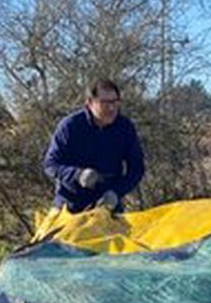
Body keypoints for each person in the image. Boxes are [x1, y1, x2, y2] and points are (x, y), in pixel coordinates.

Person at [43, 78, 145, 213]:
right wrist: (77, 175)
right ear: (89, 103)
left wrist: (117, 192)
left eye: (115, 102)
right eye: (105, 103)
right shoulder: (70, 126)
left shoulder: (125, 128)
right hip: (69, 205)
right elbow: (50, 164)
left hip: (108, 204)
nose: (111, 108)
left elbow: (137, 168)